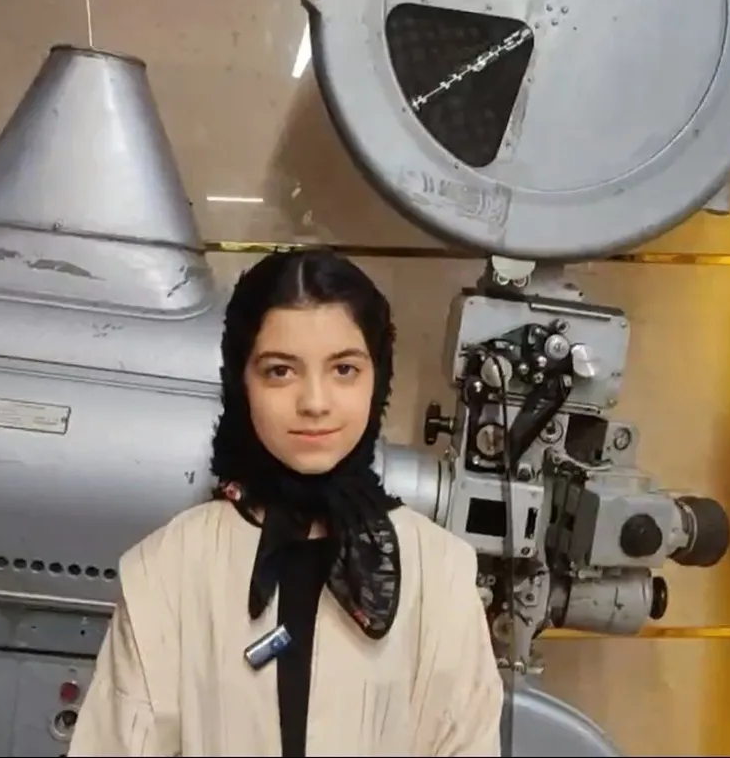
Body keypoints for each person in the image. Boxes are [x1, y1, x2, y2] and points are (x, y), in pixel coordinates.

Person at [68, 249, 502, 757]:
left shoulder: (442, 574)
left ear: (378, 379)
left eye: (344, 369)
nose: (314, 402)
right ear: (240, 381)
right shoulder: (168, 568)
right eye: (280, 371)